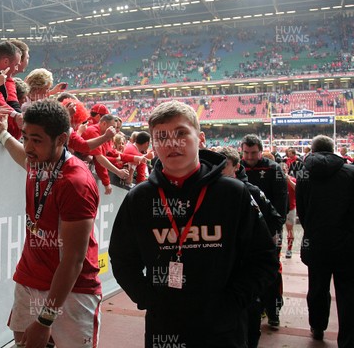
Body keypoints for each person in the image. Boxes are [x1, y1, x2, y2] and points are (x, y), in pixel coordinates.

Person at [109, 101, 278, 347]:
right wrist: (149, 299)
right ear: (153, 145)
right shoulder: (140, 198)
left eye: (181, 133)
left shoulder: (233, 193)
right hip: (164, 329)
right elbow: (122, 259)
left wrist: (232, 302)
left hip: (224, 329)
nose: (172, 143)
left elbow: (264, 258)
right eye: (162, 137)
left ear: (199, 138)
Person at [0, 100, 102, 348]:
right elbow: (24, 157)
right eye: (26, 137)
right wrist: (1, 134)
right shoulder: (38, 161)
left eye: (37, 140)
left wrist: (45, 319)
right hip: (29, 281)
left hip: (73, 292)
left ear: (62, 140)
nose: (29, 147)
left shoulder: (76, 184)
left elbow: (73, 260)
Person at [218, 146, 283, 348]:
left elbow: (274, 220)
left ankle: (272, 312)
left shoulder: (251, 191)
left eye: (224, 166)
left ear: (236, 167)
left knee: (249, 322)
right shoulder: (211, 192)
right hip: (222, 272)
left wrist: (255, 244)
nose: (218, 170)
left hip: (246, 270)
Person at [296, 135, 354, 345]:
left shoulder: (303, 174)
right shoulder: (350, 173)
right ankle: (347, 338)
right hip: (347, 245)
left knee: (317, 288)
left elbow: (301, 211)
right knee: (347, 293)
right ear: (333, 150)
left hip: (316, 243)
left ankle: (317, 326)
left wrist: (312, 230)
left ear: (312, 151)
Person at [240, 134, 287, 330]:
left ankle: (274, 310)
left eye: (253, 152)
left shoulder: (273, 169)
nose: (249, 156)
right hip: (247, 231)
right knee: (250, 269)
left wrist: (276, 229)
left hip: (270, 230)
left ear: (261, 150)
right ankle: (256, 308)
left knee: (272, 269)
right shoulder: (237, 167)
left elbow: (281, 201)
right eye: (246, 152)